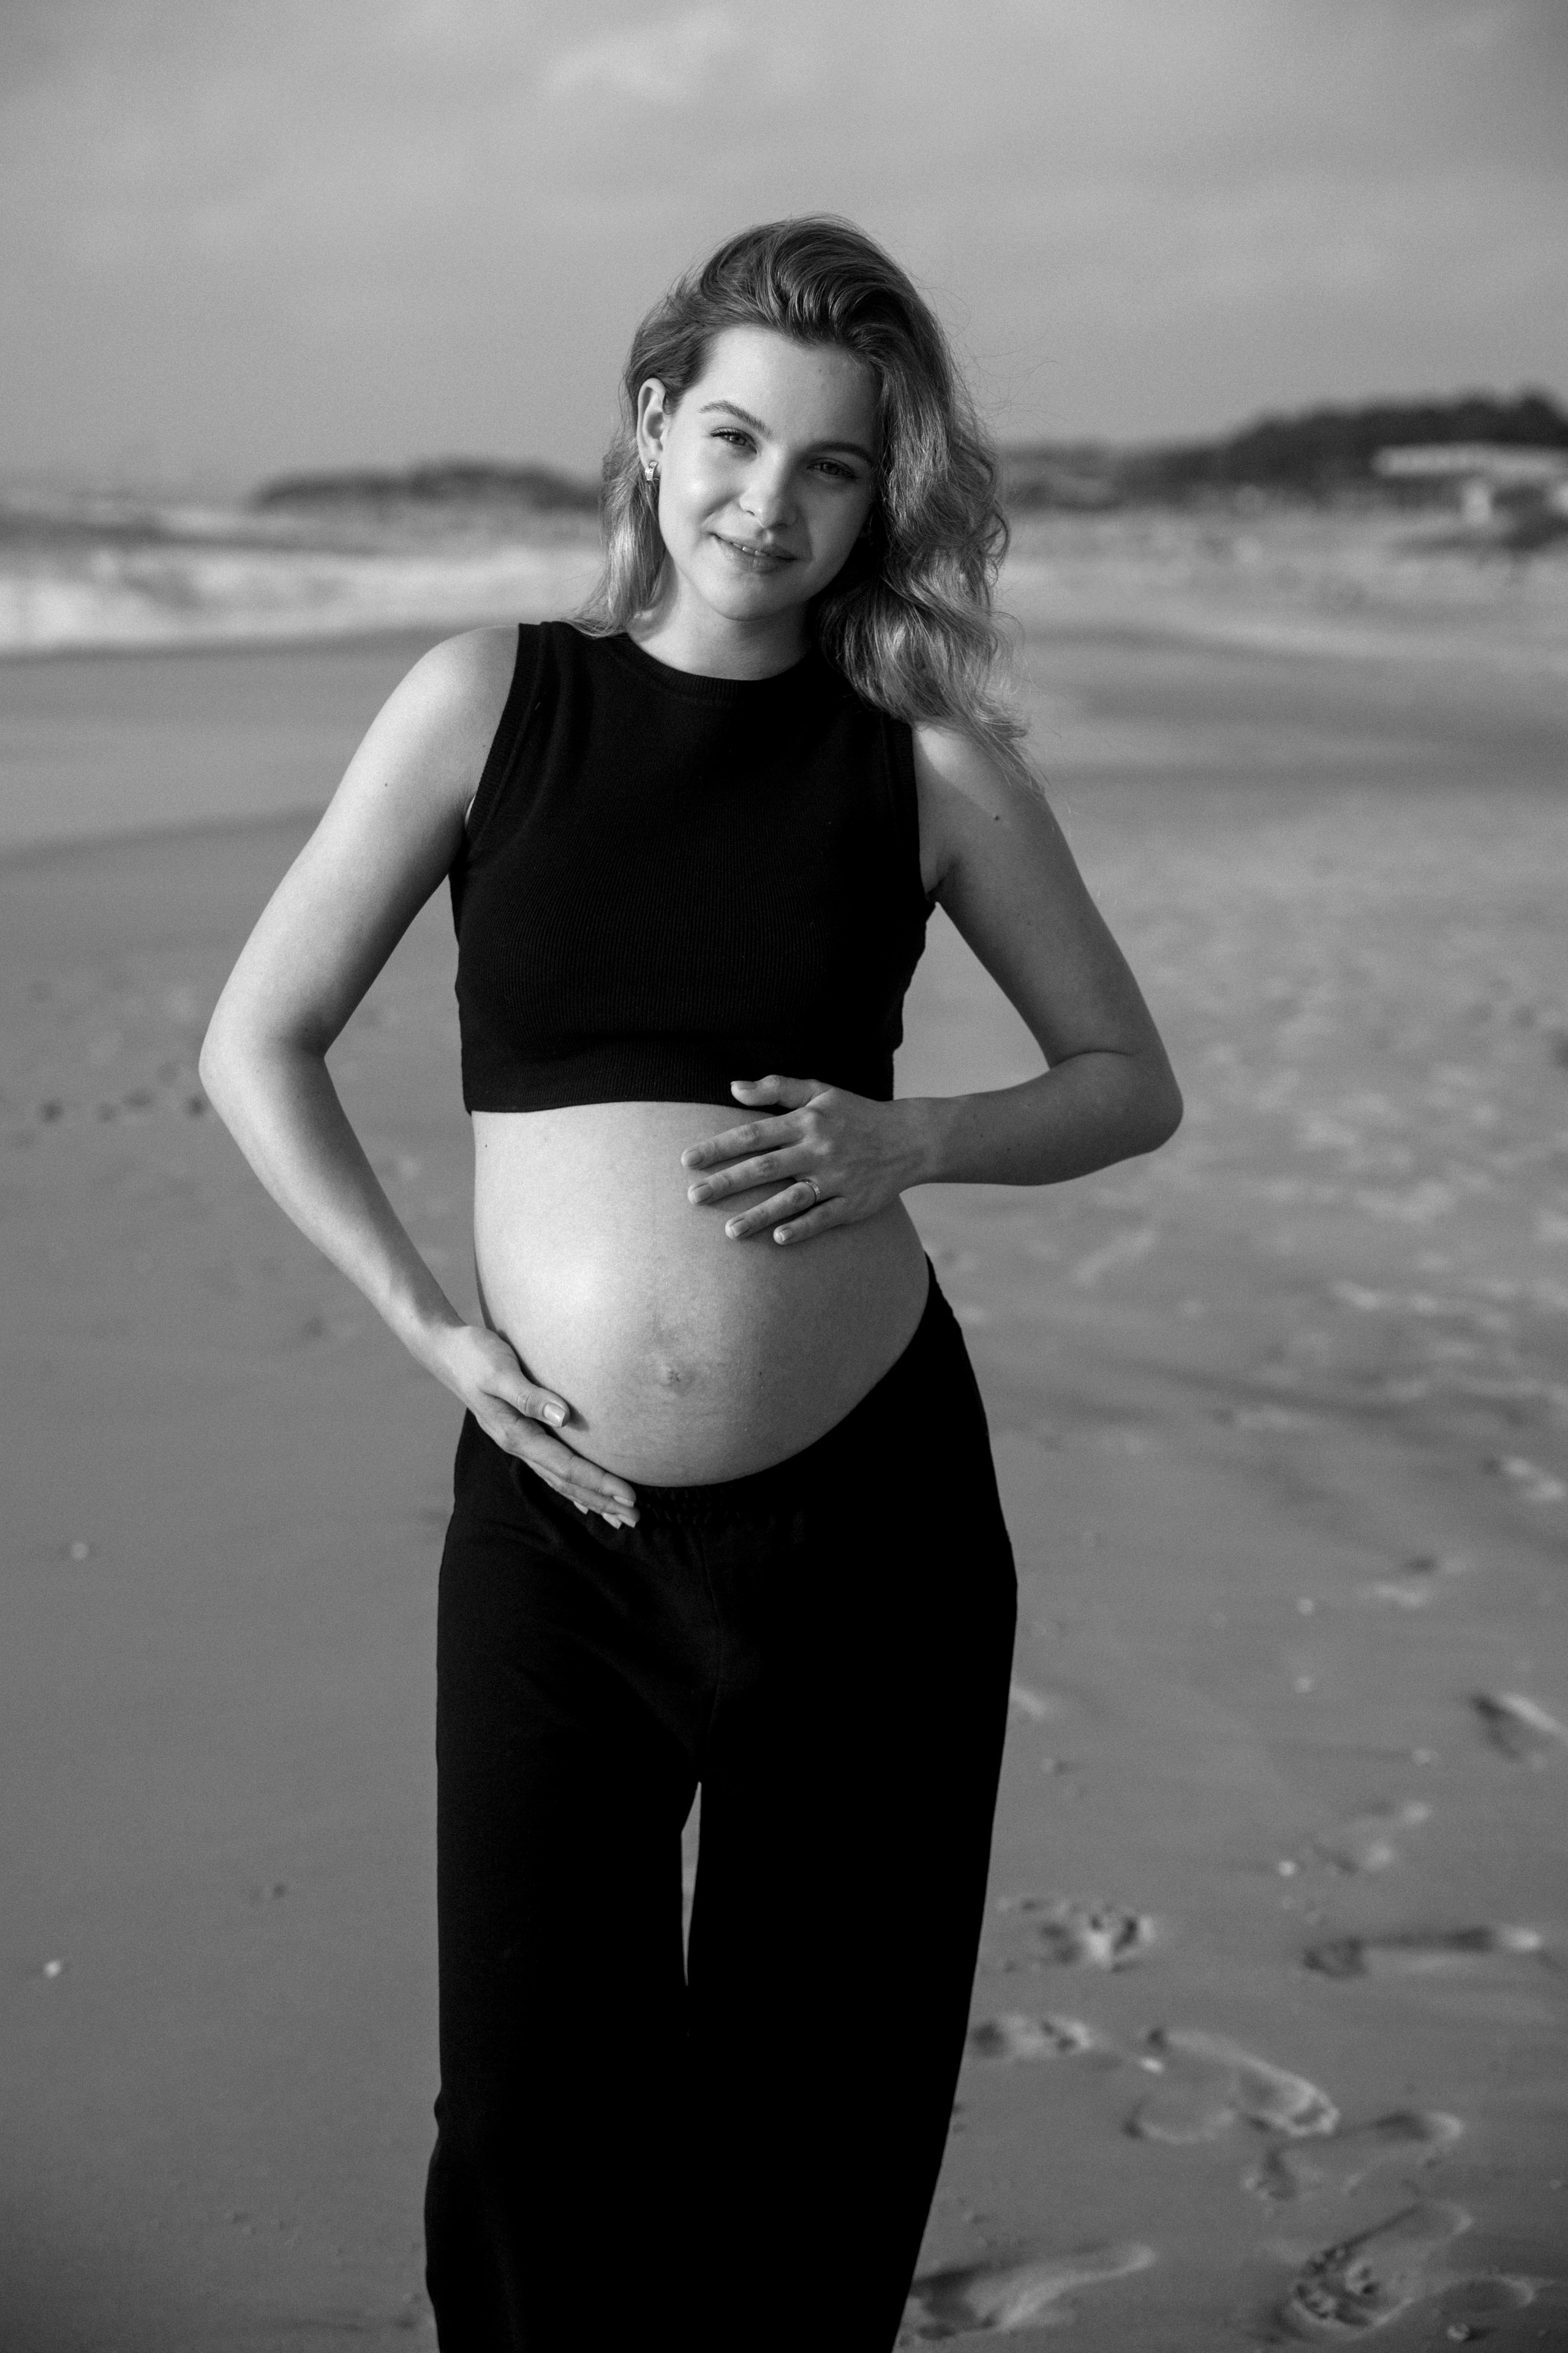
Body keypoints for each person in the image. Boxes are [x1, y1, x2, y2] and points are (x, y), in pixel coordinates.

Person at [200, 216, 1182, 2351]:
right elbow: (253, 1043)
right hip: (555, 1531)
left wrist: (915, 1134)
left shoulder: (919, 760)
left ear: (877, 497)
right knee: (534, 2128)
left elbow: (1128, 1081)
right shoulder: (491, 702)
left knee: (815, 2132)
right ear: (654, 431)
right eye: (733, 438)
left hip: (877, 1534)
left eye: (831, 468)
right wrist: (428, 1324)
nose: (771, 501)